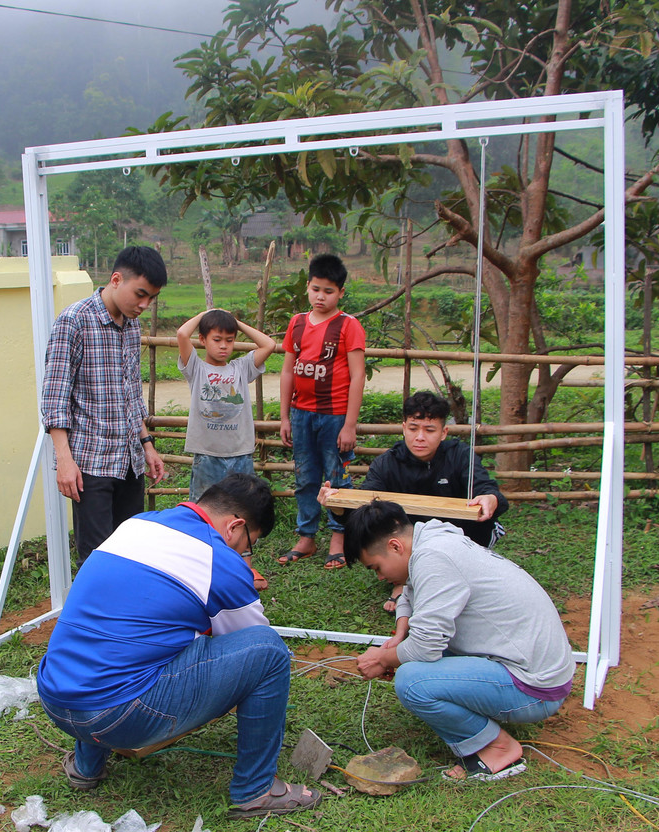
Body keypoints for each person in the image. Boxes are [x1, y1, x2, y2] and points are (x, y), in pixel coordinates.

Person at [36, 473, 320, 818]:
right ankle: (255, 790)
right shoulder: (219, 560)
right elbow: (250, 643)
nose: (244, 555)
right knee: (270, 652)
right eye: (249, 546)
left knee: (114, 640)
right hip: (117, 716)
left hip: (55, 699)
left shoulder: (136, 524)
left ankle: (86, 767)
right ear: (235, 527)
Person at [345, 500, 575, 781]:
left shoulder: (434, 559)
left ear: (395, 546)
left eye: (376, 567)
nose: (380, 576)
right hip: (534, 667)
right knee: (412, 660)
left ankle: (498, 747)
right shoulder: (430, 537)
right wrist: (401, 632)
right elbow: (410, 590)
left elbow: (426, 647)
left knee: (412, 681)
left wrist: (382, 658)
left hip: (534, 686)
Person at [321, 389, 509, 615]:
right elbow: (366, 513)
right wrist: (338, 507)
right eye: (413, 428)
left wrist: (490, 498)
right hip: (413, 536)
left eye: (429, 430)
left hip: (457, 536)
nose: (420, 437)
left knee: (481, 521)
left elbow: (489, 491)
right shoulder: (386, 464)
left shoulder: (460, 455)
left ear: (443, 432)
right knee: (383, 526)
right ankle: (406, 581)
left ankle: (452, 577)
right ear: (403, 428)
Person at [41, 245, 168, 562]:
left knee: (130, 548)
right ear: (116, 279)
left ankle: (125, 611)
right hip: (91, 465)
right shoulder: (74, 321)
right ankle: (93, 612)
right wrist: (65, 461)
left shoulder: (131, 325)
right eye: (140, 294)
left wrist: (147, 445)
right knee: (97, 556)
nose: (144, 305)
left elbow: (130, 393)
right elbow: (55, 397)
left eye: (151, 298)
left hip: (129, 461)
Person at [176, 308, 276, 589]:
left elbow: (269, 344)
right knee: (203, 511)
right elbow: (182, 333)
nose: (223, 346)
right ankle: (201, 566)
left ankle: (245, 568)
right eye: (217, 339)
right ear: (203, 340)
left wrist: (238, 323)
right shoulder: (195, 368)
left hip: (240, 453)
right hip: (207, 455)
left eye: (229, 340)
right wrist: (208, 312)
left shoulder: (241, 368)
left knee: (244, 511)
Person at [277, 253, 366, 570]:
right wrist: (285, 416)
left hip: (334, 417)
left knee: (337, 477)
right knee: (305, 476)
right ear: (307, 287)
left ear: (341, 292)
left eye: (328, 291)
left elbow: (358, 376)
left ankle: (339, 538)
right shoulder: (297, 323)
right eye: (316, 289)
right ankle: (306, 536)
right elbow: (288, 371)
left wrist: (350, 425)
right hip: (301, 414)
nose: (320, 296)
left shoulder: (348, 326)